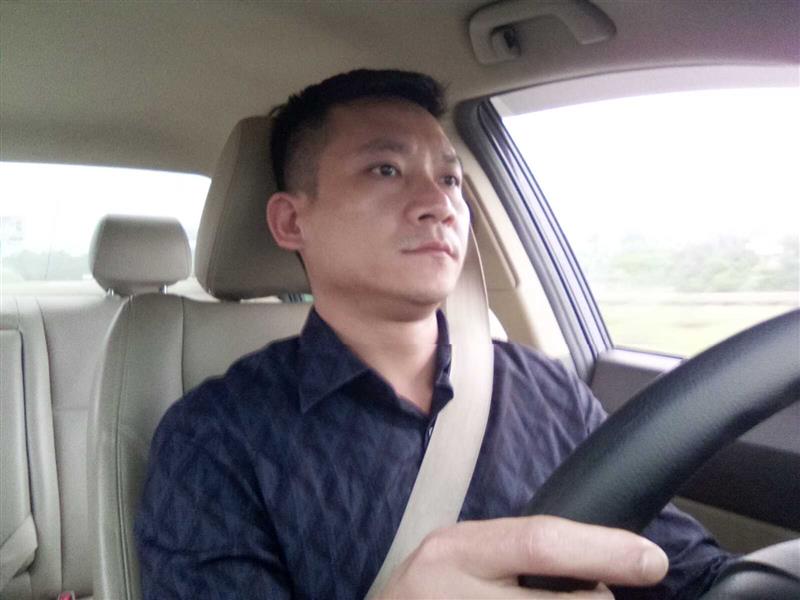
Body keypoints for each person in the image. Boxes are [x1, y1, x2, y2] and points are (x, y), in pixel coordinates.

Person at [135, 69, 734, 599]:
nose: (438, 203)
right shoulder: (214, 438)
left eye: (449, 179)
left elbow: (693, 575)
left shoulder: (548, 390)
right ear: (292, 220)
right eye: (385, 169)